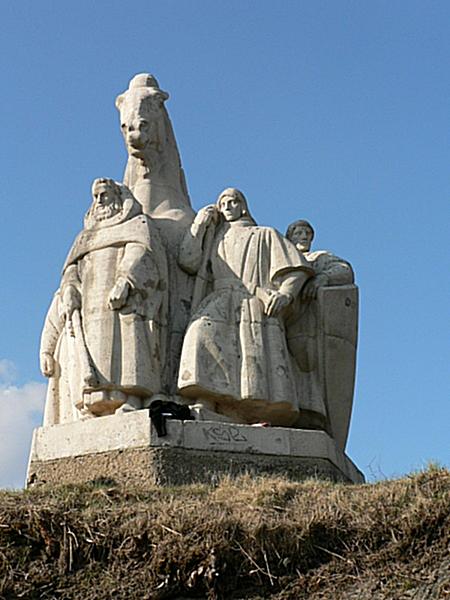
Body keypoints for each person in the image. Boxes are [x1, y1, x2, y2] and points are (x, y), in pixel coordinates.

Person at [177, 188, 314, 426]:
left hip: (253, 300)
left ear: (243, 206)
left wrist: (286, 294)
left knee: (251, 361)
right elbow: (188, 261)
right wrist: (199, 225)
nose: (229, 206)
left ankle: (245, 411)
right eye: (224, 203)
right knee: (199, 336)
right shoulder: (213, 238)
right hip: (220, 298)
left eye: (233, 201)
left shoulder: (265, 234)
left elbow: (296, 268)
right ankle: (206, 398)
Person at [40, 178, 168, 424]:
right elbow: (71, 270)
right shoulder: (85, 237)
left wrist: (127, 280)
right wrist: (70, 288)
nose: (99, 201)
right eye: (96, 196)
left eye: (104, 195)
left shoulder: (137, 225)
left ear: (118, 198)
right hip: (90, 304)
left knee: (127, 349)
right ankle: (93, 404)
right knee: (91, 352)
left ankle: (129, 399)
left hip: (123, 301)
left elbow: (141, 253)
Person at [285, 219, 355, 432]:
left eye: (307, 233)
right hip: (284, 321)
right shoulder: (282, 258)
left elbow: (345, 270)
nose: (304, 237)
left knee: (309, 366)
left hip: (311, 323)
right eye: (298, 233)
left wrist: (323, 278)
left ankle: (312, 414)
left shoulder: (319, 258)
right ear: (290, 237)